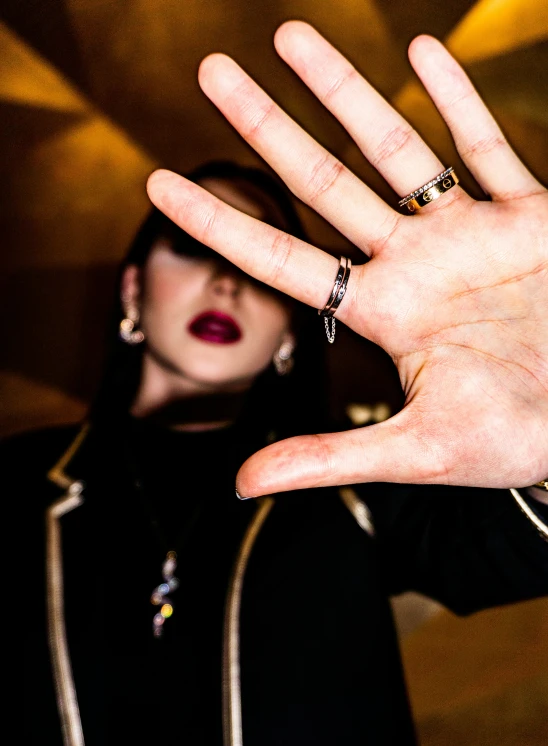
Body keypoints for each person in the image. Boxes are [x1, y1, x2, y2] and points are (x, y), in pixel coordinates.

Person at [7, 31, 547, 746]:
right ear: (133, 289)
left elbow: (508, 552)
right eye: (193, 249)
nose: (226, 282)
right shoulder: (12, 484)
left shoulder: (362, 483)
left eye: (256, 268)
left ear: (294, 328)